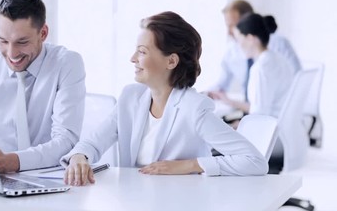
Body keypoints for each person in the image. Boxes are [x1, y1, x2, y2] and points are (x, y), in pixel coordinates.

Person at [60, 11, 268, 186]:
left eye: (142, 51)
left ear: (171, 61)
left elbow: (255, 161)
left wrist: (189, 165)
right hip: (133, 199)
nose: (133, 59)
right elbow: (93, 143)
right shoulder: (130, 97)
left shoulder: (194, 108)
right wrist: (80, 156)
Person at [0, 0, 86, 173]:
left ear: (43, 33)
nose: (12, 53)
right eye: (3, 41)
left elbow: (66, 141)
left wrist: (14, 161)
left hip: (50, 177)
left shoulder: (67, 64)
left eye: (22, 42)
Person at [215, 13, 295, 121]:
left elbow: (258, 115)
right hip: (281, 126)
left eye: (239, 40)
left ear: (250, 38)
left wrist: (235, 127)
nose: (238, 45)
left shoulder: (260, 68)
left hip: (270, 130)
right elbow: (261, 107)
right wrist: (231, 102)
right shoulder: (278, 59)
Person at [207, 0, 254, 100]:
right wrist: (204, 94)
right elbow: (221, 85)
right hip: (248, 109)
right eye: (227, 26)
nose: (229, 32)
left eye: (232, 26)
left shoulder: (276, 45)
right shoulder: (231, 51)